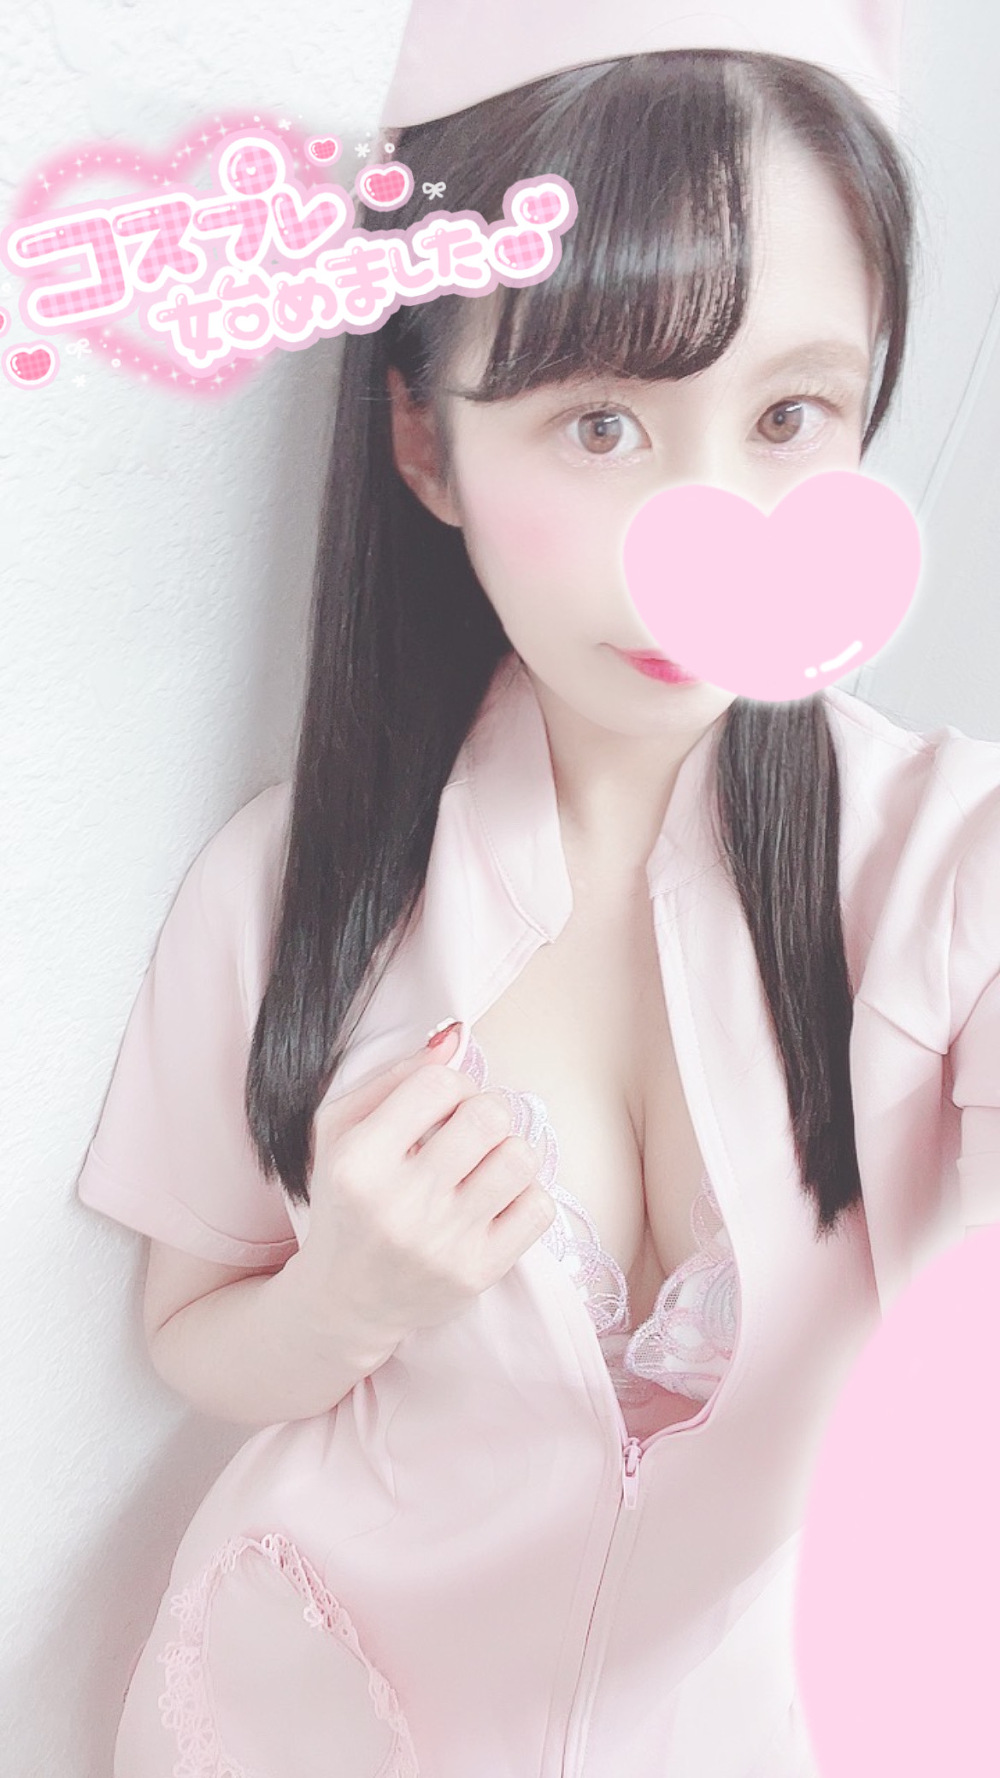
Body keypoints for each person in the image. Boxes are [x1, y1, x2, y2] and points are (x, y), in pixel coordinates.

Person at [75, 11, 1000, 1778]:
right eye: (600, 423)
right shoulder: (289, 887)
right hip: (310, 1713)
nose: (704, 532)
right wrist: (348, 1294)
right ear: (428, 443)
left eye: (788, 414)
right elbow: (192, 1329)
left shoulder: (951, 870)